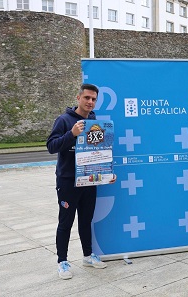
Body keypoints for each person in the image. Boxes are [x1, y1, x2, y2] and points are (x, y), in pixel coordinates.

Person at [47, 83, 117, 280]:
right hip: (68, 181)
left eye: (94, 99)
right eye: (87, 98)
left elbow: (99, 152)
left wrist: (106, 173)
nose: (90, 102)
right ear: (78, 98)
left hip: (89, 180)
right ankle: (62, 261)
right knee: (65, 222)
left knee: (86, 221)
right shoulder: (64, 120)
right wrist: (72, 134)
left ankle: (88, 255)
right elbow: (51, 146)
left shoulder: (94, 120)